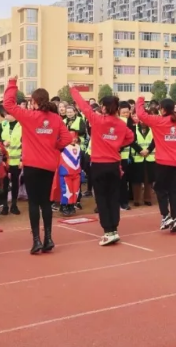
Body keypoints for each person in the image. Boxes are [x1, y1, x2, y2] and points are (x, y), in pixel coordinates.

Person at [2, 77, 73, 255]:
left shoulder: (29, 116)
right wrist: (54, 146)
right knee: (45, 202)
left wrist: (12, 83)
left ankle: (36, 241)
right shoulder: (56, 118)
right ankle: (48, 238)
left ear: (33, 102)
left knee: (34, 203)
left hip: (32, 165)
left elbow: (8, 104)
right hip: (49, 165)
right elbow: (67, 138)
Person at [71, 87, 133, 246]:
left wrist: (73, 89)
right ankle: (114, 229)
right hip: (114, 165)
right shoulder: (121, 124)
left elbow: (83, 105)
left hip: (99, 165)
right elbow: (130, 137)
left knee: (102, 198)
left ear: (104, 107)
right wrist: (117, 144)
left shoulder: (96, 119)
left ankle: (108, 232)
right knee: (113, 197)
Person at [136, 97, 176, 233]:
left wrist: (140, 100)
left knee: (160, 189)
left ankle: (166, 216)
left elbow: (141, 114)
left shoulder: (158, 121)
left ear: (162, 110)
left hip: (162, 163)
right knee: (175, 190)